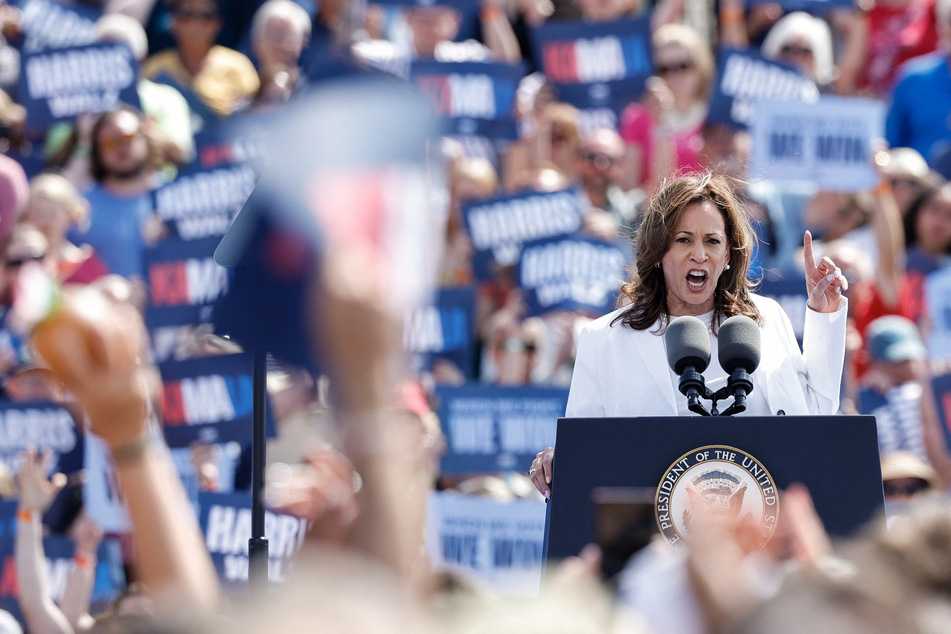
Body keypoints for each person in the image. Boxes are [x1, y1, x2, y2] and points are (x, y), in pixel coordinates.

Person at [529, 172, 849, 496]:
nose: (700, 254)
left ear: (728, 255)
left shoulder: (767, 319)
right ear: (659, 253)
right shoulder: (604, 340)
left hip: (760, 523)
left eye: (712, 241)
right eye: (684, 239)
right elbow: (587, 449)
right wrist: (563, 458)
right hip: (657, 533)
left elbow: (816, 415)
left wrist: (824, 314)